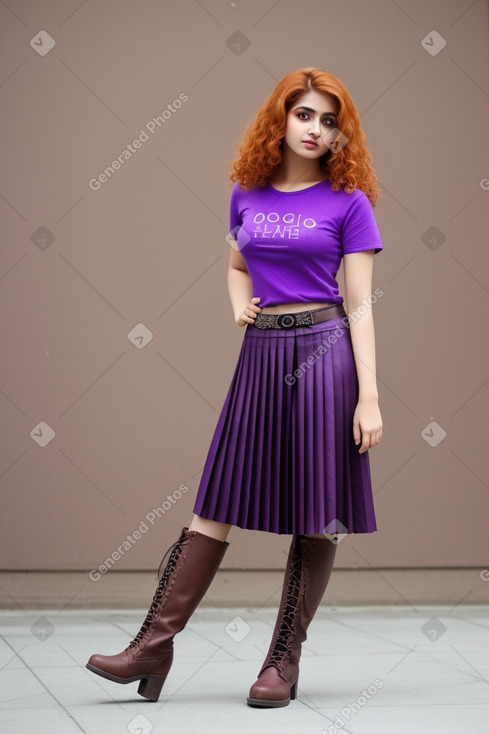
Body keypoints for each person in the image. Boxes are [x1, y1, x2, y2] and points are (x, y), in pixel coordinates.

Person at [86, 66, 384, 708]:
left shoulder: (349, 202)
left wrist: (369, 396)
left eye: (329, 120)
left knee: (317, 513)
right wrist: (238, 302)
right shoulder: (245, 192)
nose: (315, 129)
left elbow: (359, 305)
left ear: (341, 133)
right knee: (214, 503)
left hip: (327, 353)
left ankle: (282, 662)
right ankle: (153, 646)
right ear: (279, 117)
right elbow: (235, 263)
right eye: (304, 114)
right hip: (261, 355)